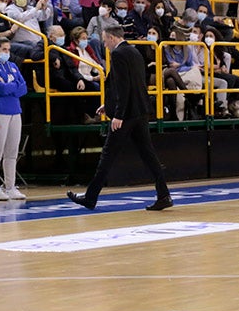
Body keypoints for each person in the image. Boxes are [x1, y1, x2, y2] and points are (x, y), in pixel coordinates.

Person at [67, 23, 172, 211]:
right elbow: (129, 84)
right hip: (140, 111)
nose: (104, 44)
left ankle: (90, 198)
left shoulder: (118, 54)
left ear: (113, 38)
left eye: (105, 39)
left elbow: (124, 87)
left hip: (127, 114)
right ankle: (164, 194)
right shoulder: (134, 52)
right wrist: (108, 105)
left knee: (108, 155)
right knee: (148, 155)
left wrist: (118, 114)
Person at [0, 37, 28, 201]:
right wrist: (12, 85)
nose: (7, 53)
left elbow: (22, 87)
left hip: (15, 111)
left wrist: (10, 85)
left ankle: (10, 187)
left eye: (8, 50)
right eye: (4, 50)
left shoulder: (13, 66)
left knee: (12, 152)